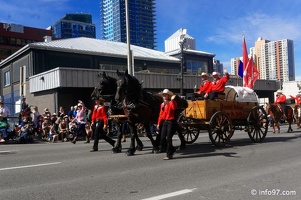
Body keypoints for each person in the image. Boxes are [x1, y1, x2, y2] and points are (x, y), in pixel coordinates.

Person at [157, 89, 178, 160]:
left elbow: (174, 107)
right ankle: (172, 149)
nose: (164, 96)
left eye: (165, 95)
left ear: (168, 96)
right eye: (163, 95)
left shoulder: (171, 103)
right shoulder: (162, 104)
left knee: (169, 138)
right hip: (165, 122)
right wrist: (158, 123)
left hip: (171, 121)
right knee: (162, 138)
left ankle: (169, 154)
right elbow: (160, 114)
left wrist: (172, 100)